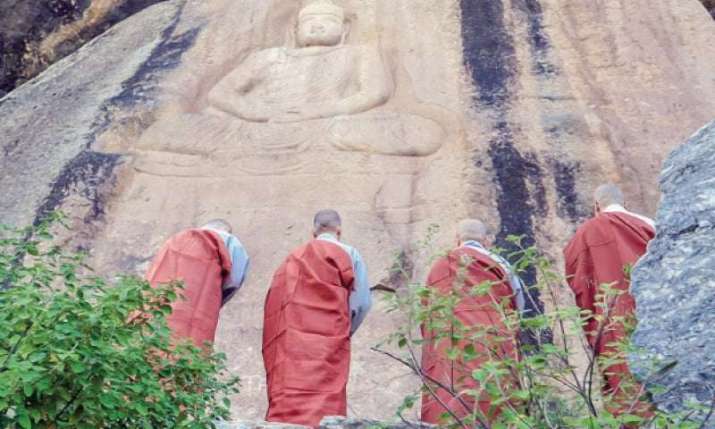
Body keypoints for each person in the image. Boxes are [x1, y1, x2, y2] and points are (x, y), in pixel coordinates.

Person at [262, 209, 371, 428]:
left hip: (293, 342)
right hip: (330, 338)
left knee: (291, 389)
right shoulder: (349, 254)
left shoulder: (293, 258)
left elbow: (276, 303)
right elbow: (362, 303)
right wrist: (344, 330)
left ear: (313, 231)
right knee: (327, 394)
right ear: (339, 230)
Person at [564, 183, 655, 419]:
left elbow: (580, 288)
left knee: (621, 377)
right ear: (626, 204)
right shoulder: (649, 225)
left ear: (596, 206)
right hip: (651, 312)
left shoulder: (582, 235)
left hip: (610, 319)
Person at [421, 219, 525, 425]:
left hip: (448, 348)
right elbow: (518, 307)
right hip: (492, 343)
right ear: (487, 241)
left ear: (457, 240)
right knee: (495, 398)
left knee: (448, 400)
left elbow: (426, 314)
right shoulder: (500, 263)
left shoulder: (439, 265)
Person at [146, 219, 249, 348]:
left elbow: (155, 271)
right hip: (198, 306)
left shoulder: (176, 239)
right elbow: (234, 280)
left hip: (159, 303)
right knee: (189, 345)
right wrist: (216, 299)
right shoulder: (230, 243)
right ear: (226, 231)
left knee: (150, 341)